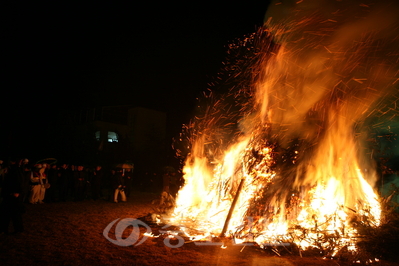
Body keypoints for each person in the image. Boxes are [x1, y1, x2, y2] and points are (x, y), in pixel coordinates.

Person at [0, 158, 24, 235]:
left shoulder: (16, 170)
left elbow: (19, 181)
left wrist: (17, 192)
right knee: (5, 213)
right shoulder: (10, 169)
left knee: (15, 213)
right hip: (8, 193)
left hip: (13, 195)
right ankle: (4, 229)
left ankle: (18, 229)